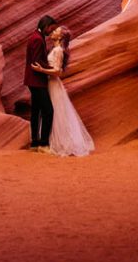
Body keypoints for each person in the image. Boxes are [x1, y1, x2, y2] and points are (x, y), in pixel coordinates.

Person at [31, 25, 94, 157]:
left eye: (55, 31)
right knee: (51, 112)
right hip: (49, 84)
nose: (52, 32)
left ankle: (58, 143)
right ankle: (48, 141)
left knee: (54, 111)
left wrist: (41, 70)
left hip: (53, 84)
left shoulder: (58, 50)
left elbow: (57, 71)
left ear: (60, 37)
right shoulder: (54, 49)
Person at [24, 15, 57, 152]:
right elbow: (37, 61)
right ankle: (43, 144)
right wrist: (53, 69)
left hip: (33, 80)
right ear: (46, 25)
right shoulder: (38, 39)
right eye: (51, 28)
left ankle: (34, 143)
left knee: (36, 111)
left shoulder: (36, 36)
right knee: (48, 111)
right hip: (37, 81)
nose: (51, 32)